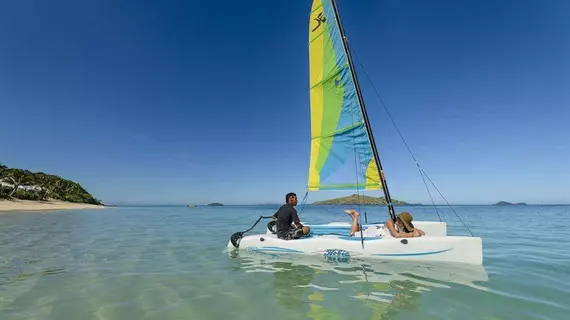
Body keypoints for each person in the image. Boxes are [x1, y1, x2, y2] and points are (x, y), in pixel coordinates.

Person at [345, 210, 424, 238]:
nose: (397, 220)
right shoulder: (390, 222)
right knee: (353, 235)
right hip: (376, 232)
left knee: (359, 231)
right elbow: (396, 235)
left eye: (400, 220)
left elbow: (422, 233)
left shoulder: (405, 226)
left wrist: (415, 232)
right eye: (398, 218)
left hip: (378, 232)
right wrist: (412, 235)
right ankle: (355, 217)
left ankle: (354, 217)